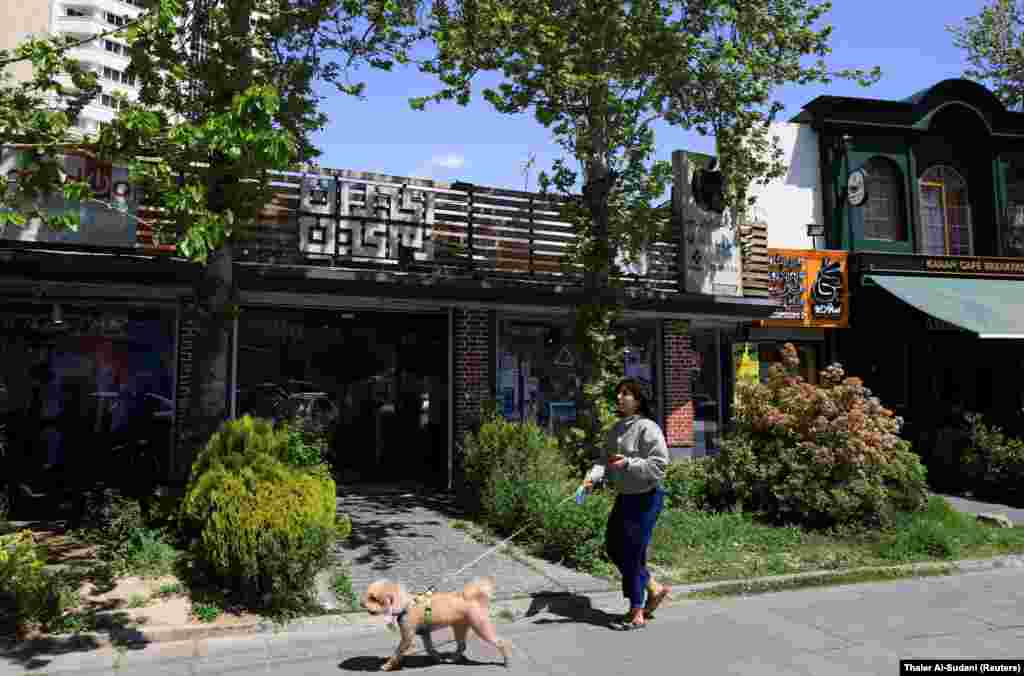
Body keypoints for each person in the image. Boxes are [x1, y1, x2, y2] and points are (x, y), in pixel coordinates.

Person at [581, 378, 671, 630]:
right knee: (613, 547)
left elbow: (659, 465)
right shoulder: (616, 429)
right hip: (625, 497)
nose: (620, 398)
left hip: (647, 498)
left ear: (639, 399)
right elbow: (603, 461)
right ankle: (653, 587)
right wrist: (592, 478)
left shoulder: (647, 428)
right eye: (619, 394)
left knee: (633, 552)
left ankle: (636, 611)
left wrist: (629, 463)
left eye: (626, 394)